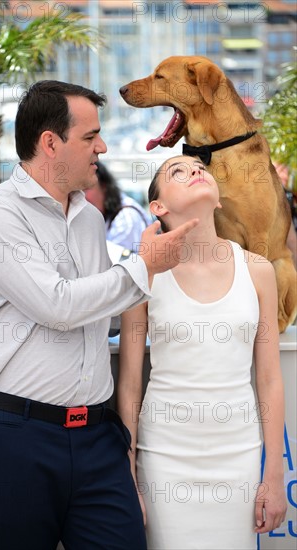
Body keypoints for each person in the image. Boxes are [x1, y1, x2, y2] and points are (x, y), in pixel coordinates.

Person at [0, 81, 199, 550]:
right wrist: (145, 265)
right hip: (16, 438)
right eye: (90, 137)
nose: (103, 148)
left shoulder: (90, 219)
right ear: (50, 142)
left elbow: (97, 304)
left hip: (96, 436)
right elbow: (59, 306)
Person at [118, 155, 287, 549]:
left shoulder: (258, 271)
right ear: (158, 208)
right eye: (178, 171)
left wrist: (273, 475)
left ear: (218, 201)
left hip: (239, 456)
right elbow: (128, 388)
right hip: (164, 458)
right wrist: (128, 479)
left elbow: (269, 380)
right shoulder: (143, 275)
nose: (195, 170)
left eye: (199, 167)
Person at [85, 161, 152, 251]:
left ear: (104, 186)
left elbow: (118, 262)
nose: (81, 197)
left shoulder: (126, 218)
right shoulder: (104, 215)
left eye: (85, 189)